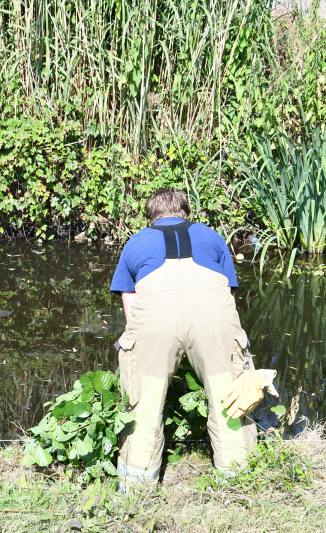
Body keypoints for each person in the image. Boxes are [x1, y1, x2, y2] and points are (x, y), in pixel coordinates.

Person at [110, 188, 260, 486]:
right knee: (227, 392)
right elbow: (227, 292)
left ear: (151, 217)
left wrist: (146, 342)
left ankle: (138, 482)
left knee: (145, 399)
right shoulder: (212, 236)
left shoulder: (137, 240)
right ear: (186, 213)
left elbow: (129, 297)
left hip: (155, 315)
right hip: (212, 313)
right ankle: (237, 475)